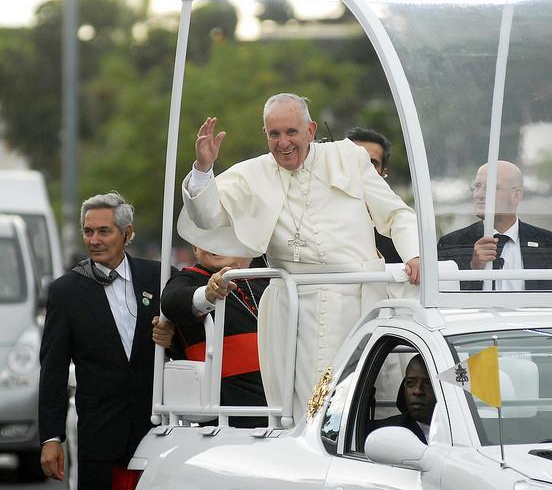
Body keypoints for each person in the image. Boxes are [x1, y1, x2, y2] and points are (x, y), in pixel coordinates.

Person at [177, 92, 420, 419]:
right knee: (307, 408)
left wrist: (416, 255)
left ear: (310, 129)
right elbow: (207, 218)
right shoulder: (252, 174)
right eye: (274, 134)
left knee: (362, 402)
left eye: (291, 132)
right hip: (296, 305)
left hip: (360, 299)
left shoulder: (348, 158)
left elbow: (396, 215)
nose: (283, 143)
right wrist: (204, 169)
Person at [38, 192, 175, 489]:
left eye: (104, 231)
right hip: (98, 433)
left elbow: (188, 340)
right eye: (88, 232)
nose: (94, 240)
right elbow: (53, 368)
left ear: (127, 234)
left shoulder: (160, 277)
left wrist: (173, 335)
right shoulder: (65, 291)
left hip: (155, 429)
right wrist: (51, 437)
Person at [161, 246, 268, 427]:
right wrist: (208, 295)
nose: (214, 245)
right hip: (228, 415)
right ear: (195, 247)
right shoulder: (188, 279)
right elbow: (171, 302)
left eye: (222, 239)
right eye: (207, 240)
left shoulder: (265, 280)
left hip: (279, 405)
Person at [437, 160, 552, 290]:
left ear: (516, 195)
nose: (479, 194)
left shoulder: (551, 245)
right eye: (477, 186)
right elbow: (442, 304)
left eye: (491, 187)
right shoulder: (452, 244)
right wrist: (474, 269)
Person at [346, 126, 402, 264]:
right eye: (354, 160)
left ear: (383, 173)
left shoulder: (399, 231)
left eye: (371, 163)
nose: (362, 168)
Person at [371, 355, 436, 444]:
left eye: (428, 384)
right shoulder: (384, 433)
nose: (417, 391)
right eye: (410, 383)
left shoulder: (459, 430)